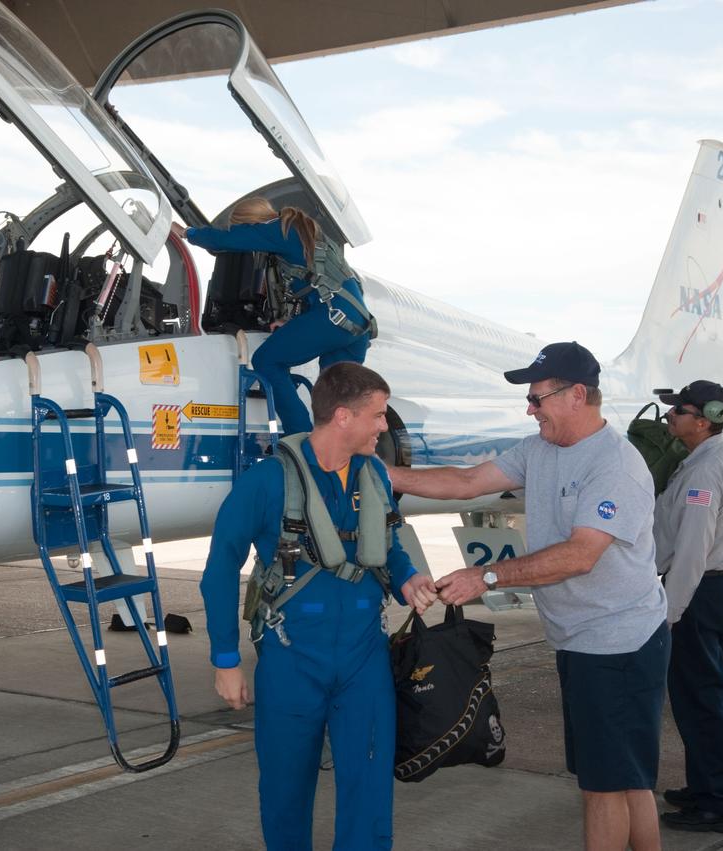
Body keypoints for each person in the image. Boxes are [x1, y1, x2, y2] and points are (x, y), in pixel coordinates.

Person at [387, 341, 669, 851]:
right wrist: (387, 475)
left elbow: (580, 554)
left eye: (539, 398)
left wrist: (486, 577)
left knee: (603, 788)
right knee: (627, 779)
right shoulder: (540, 449)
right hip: (584, 641)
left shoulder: (615, 466)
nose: (530, 409)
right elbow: (469, 482)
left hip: (618, 646)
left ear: (577, 395)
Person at [199, 361, 438, 851]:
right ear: (344, 417)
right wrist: (225, 658)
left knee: (369, 789)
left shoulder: (373, 474)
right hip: (291, 657)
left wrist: (409, 580)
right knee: (286, 792)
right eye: (377, 415)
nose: (383, 426)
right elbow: (220, 569)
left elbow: (386, 546)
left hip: (363, 658)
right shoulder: (266, 481)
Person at [173, 198, 373, 436]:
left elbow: (226, 240)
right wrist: (291, 322)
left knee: (267, 360)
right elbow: (319, 289)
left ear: (250, 222)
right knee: (334, 398)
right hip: (356, 325)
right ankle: (340, 453)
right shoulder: (303, 232)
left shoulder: (279, 229)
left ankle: (298, 434)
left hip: (334, 318)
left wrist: (187, 232)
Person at [650, 380, 723, 834]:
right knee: (699, 697)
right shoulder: (708, 458)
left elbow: (691, 551)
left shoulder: (705, 472)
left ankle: (715, 803)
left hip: (700, 593)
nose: (669, 418)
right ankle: (705, 785)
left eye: (677, 412)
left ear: (703, 420)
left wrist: (668, 615)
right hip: (714, 590)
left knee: (700, 700)